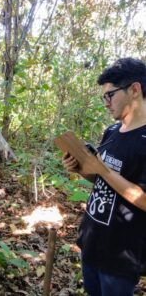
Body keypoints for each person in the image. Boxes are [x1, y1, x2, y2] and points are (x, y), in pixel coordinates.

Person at [62, 57, 146, 296]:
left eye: (110, 95)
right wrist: (81, 168)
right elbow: (103, 179)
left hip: (121, 254)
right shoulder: (111, 131)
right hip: (93, 241)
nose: (106, 103)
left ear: (134, 89)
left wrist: (103, 170)